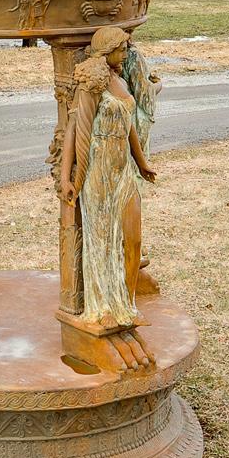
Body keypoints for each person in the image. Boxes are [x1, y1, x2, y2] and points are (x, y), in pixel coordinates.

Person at [56, 26, 156, 369]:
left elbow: (128, 122)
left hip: (122, 168)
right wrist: (66, 175)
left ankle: (125, 305)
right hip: (97, 170)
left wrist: (141, 163)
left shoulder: (121, 81)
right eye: (122, 49)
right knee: (101, 241)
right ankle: (103, 310)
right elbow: (74, 129)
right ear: (107, 51)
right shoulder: (93, 81)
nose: (127, 53)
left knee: (132, 237)